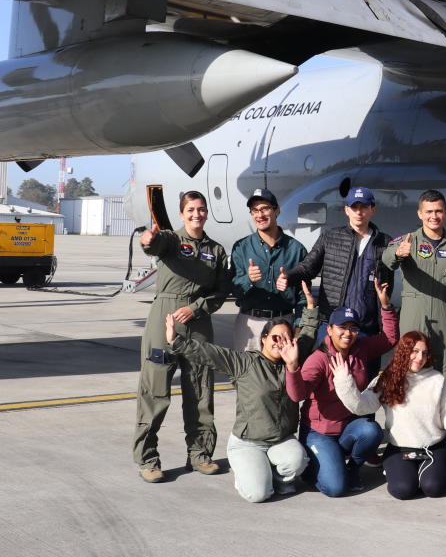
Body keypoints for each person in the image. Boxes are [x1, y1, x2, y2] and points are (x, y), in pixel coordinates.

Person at [162, 283, 321, 502]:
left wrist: (311, 309)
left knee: (298, 462)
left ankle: (278, 477)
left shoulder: (292, 358)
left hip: (280, 438)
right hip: (249, 440)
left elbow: (307, 336)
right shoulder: (244, 363)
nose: (280, 343)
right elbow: (210, 353)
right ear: (263, 339)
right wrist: (176, 342)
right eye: (275, 337)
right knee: (258, 494)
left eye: (285, 338)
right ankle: (249, 473)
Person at [134, 190, 232, 482]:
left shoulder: (217, 250)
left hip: (198, 322)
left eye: (201, 209)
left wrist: (197, 308)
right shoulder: (171, 241)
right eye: (190, 210)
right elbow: (155, 245)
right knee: (155, 389)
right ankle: (148, 459)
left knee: (201, 389)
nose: (196, 214)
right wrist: (148, 240)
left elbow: (220, 291)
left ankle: (200, 454)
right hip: (164, 315)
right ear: (181, 214)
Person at [333, 330, 446, 500]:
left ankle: (440, 467)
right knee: (403, 490)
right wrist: (344, 383)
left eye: (425, 353)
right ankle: (401, 469)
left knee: (433, 488)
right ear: (403, 351)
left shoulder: (437, 379)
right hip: (400, 448)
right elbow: (362, 406)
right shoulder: (386, 378)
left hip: (432, 447)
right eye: (415, 351)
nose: (420, 357)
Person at [285, 280, 399, 497]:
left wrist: (385, 306)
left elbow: (390, 338)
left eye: (353, 328)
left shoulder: (360, 348)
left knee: (371, 430)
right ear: (329, 329)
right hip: (320, 433)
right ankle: (314, 469)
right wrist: (292, 368)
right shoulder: (318, 360)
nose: (348, 333)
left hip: (349, 427)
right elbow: (297, 394)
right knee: (335, 488)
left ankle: (352, 468)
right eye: (342, 328)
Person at [383, 190, 446, 401]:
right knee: (409, 363)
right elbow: (387, 258)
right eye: (428, 212)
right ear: (419, 214)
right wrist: (398, 253)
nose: (433, 216)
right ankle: (404, 415)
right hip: (413, 313)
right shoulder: (408, 241)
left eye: (438, 211)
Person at [284, 186, 394, 337]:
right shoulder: (330, 238)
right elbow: (309, 266)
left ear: (372, 210)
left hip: (367, 329)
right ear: (346, 210)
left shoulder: (385, 242)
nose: (359, 212)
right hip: (333, 325)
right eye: (354, 207)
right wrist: (288, 277)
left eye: (364, 207)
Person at [230, 188, 307, 352]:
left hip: (284, 323)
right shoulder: (241, 247)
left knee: (281, 376)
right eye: (255, 210)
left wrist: (298, 328)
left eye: (265, 208)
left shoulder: (296, 249)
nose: (260, 215)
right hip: (249, 324)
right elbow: (234, 290)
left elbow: (303, 297)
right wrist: (248, 280)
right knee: (246, 375)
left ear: (276, 210)